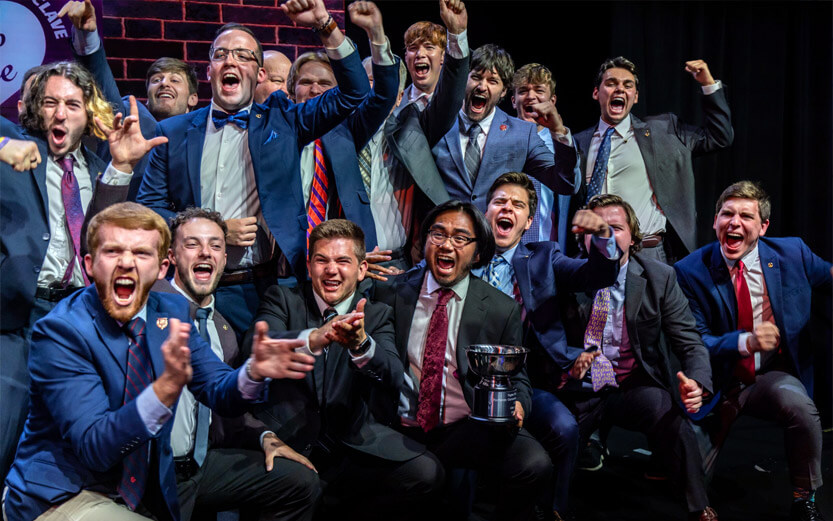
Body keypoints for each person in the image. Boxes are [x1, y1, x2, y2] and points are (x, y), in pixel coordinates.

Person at [3, 202, 320, 521]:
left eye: (141, 253)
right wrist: (163, 392)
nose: (126, 263)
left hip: (145, 487)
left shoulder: (171, 313)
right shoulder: (62, 330)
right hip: (66, 495)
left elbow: (218, 388)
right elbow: (95, 446)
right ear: (89, 264)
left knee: (299, 483)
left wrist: (252, 373)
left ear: (162, 266)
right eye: (113, 252)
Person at [137, 0, 371, 337]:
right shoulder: (173, 132)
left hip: (261, 288)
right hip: (186, 286)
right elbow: (149, 209)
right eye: (220, 54)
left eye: (243, 55)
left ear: (259, 73)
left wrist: (324, 23)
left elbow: (355, 92)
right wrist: (214, 229)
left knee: (260, 383)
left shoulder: (286, 123)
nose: (230, 60)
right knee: (187, 380)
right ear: (209, 70)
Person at [0, 62, 164, 486]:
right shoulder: (18, 150)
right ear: (37, 110)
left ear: (87, 113)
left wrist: (121, 167)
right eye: (51, 103)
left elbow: (100, 235)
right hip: (18, 317)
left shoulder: (98, 168)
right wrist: (2, 146)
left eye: (72, 104)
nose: (60, 114)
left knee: (72, 442)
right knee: (7, 434)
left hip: (78, 317)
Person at [241, 219, 443, 520]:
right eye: (321, 260)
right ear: (309, 266)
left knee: (427, 472)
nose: (331, 270)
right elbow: (258, 347)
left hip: (353, 443)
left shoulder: (376, 315)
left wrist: (361, 344)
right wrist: (315, 338)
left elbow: (391, 374)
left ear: (361, 269)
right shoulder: (283, 299)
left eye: (342, 261)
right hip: (288, 439)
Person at [372, 200, 552, 521]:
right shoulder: (389, 292)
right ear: (425, 241)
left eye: (460, 238)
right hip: (399, 425)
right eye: (438, 234)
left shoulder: (500, 308)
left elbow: (518, 376)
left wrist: (520, 404)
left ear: (478, 253)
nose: (446, 244)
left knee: (534, 463)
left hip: (464, 428)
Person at [674, 181, 832, 521]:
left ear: (763, 227)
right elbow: (695, 338)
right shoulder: (689, 271)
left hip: (770, 375)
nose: (734, 222)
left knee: (801, 409)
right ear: (715, 220)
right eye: (726, 213)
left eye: (746, 216)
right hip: (718, 381)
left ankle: (805, 497)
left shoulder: (792, 254)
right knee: (688, 485)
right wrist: (745, 341)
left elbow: (829, 277)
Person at [555, 194, 717, 521]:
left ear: (633, 236)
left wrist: (698, 381)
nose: (607, 237)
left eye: (615, 228)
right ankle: (550, 508)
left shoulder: (659, 277)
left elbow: (689, 341)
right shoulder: (566, 275)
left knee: (672, 420)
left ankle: (700, 508)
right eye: (597, 230)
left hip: (633, 384)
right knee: (556, 437)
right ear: (582, 237)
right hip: (581, 387)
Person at [154, 208, 319, 520]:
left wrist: (265, 436)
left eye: (216, 245)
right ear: (171, 257)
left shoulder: (223, 329)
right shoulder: (148, 305)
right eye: (192, 244)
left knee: (299, 481)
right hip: (149, 471)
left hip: (200, 468)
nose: (206, 252)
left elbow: (227, 411)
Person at [478, 172, 620, 519]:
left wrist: (603, 236)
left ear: (528, 221)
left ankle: (555, 509)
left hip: (532, 377)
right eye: (499, 202)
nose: (506, 208)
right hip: (470, 376)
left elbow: (596, 276)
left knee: (565, 428)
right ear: (485, 212)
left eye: (517, 205)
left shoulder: (544, 256)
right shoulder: (467, 254)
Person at [555, 56, 734, 262]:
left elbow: (719, 137)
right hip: (593, 254)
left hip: (646, 254)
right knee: (599, 297)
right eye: (611, 83)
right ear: (596, 93)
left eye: (627, 85)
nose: (620, 89)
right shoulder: (577, 143)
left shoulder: (664, 131)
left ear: (636, 96)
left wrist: (708, 84)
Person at [284, 0, 399, 262]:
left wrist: (377, 35)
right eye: (305, 83)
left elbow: (384, 95)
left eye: (324, 83)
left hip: (342, 259)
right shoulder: (273, 132)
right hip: (286, 263)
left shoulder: (348, 131)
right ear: (292, 91)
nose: (314, 89)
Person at [361, 0, 469, 272]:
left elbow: (452, 89)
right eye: (412, 49)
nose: (419, 54)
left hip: (430, 234)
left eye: (429, 47)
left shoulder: (424, 118)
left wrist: (457, 35)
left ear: (443, 56)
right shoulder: (392, 113)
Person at [431, 44, 579, 223]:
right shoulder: (438, 122)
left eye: (493, 81)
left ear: (503, 91)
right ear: (464, 79)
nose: (482, 87)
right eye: (476, 77)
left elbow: (565, 183)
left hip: (494, 245)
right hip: (445, 241)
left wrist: (559, 132)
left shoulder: (522, 134)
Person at [62, 0, 191, 199]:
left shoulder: (204, 134)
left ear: (193, 98)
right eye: (156, 80)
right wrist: (87, 35)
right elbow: (101, 85)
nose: (164, 84)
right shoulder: (128, 117)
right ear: (147, 96)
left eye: (175, 80)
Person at [511, 63, 579, 248]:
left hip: (549, 251)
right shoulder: (499, 140)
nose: (531, 96)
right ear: (513, 100)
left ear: (553, 101)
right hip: (503, 251)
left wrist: (559, 131)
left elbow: (573, 184)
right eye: (523, 90)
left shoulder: (565, 144)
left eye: (539, 90)